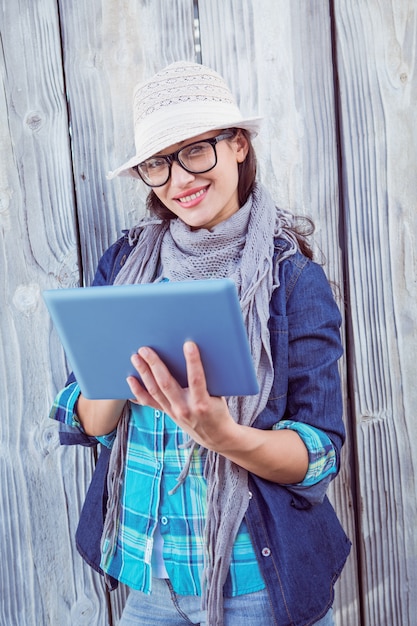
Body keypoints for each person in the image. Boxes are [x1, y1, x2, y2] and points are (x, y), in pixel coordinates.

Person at [50, 61, 351, 626]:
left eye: (195, 151)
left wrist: (225, 435)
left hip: (255, 583)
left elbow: (319, 453)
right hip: (147, 581)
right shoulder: (125, 264)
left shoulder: (293, 280)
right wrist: (121, 372)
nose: (178, 180)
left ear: (238, 145)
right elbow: (92, 420)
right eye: (159, 163)